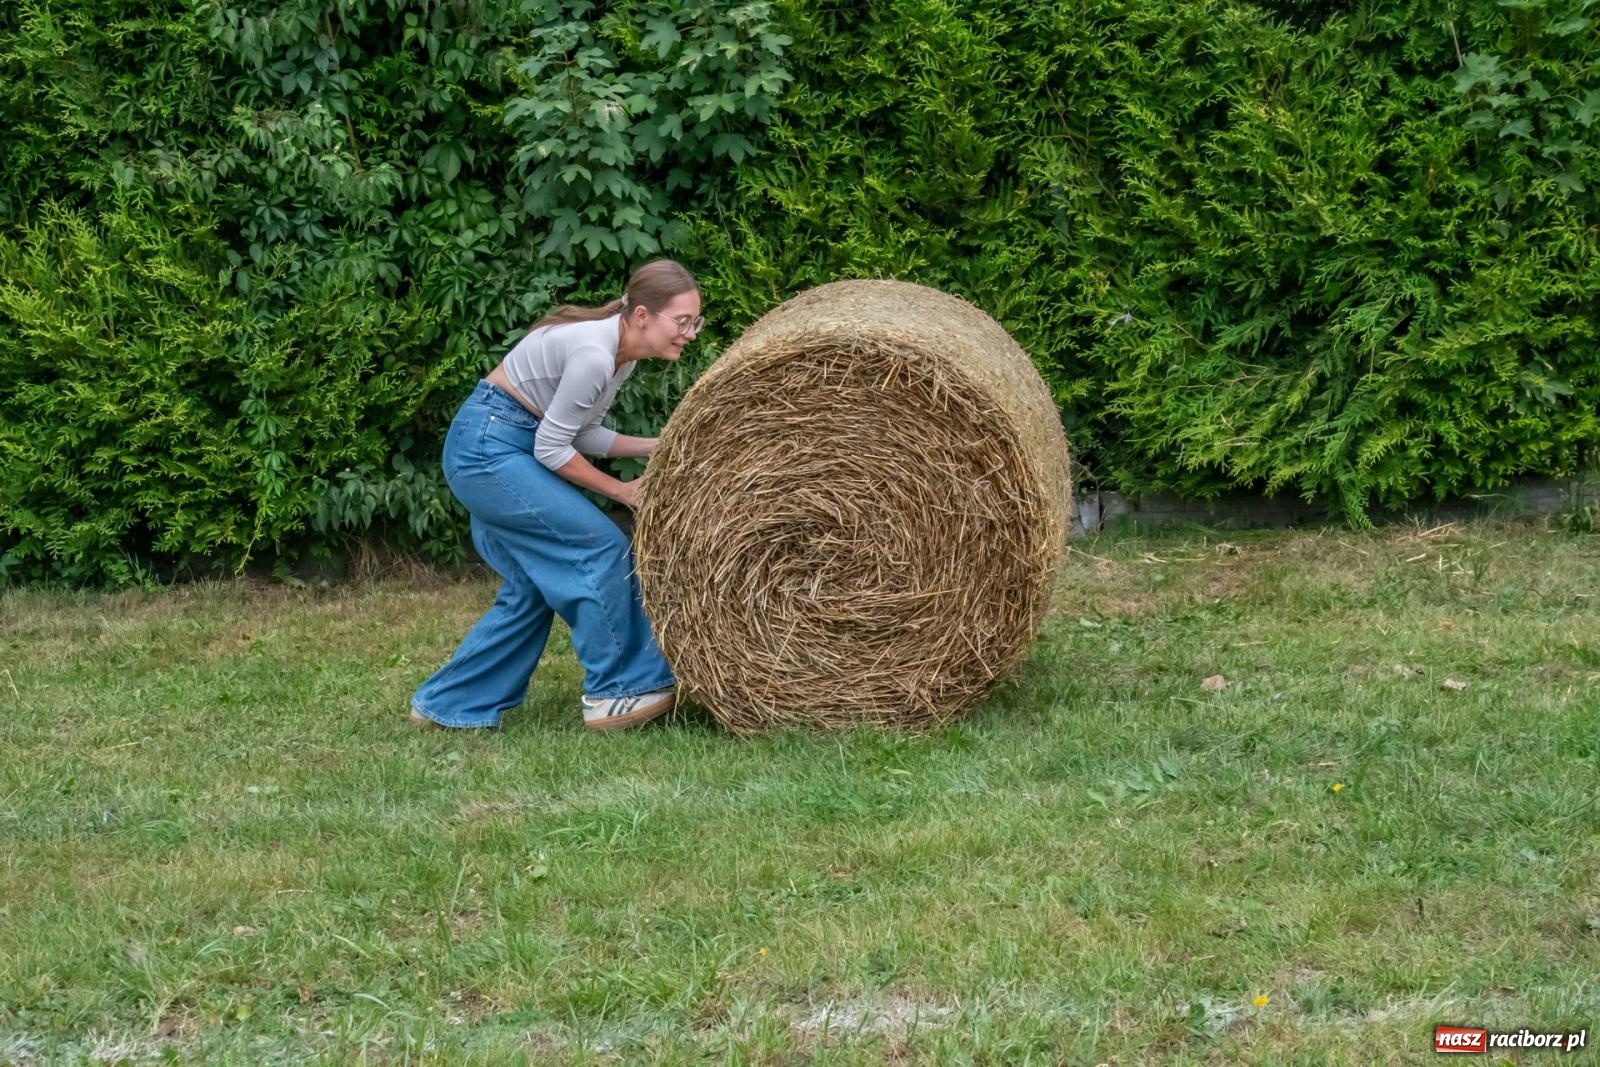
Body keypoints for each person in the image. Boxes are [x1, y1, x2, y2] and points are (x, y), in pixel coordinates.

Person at [409, 259, 704, 732]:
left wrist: (657, 444)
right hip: (488, 451)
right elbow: (550, 446)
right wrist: (621, 490)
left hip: (496, 443)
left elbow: (578, 432)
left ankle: (448, 703)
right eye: (683, 321)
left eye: (696, 322)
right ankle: (619, 691)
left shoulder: (618, 355)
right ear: (644, 315)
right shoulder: (594, 354)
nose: (691, 333)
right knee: (600, 545)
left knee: (531, 588)